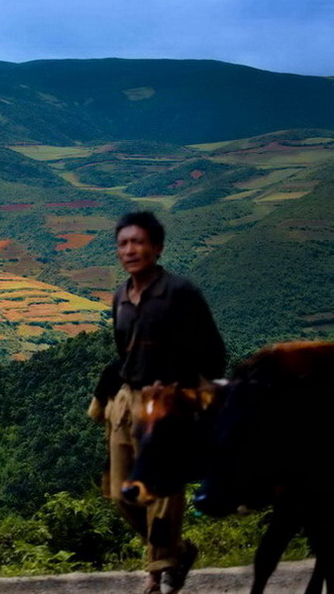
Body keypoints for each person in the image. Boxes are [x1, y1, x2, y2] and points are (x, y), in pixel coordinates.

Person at [91, 211, 225, 594]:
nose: (130, 250)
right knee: (122, 494)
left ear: (157, 248)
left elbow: (214, 352)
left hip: (168, 404)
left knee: (163, 490)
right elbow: (124, 355)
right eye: (123, 243)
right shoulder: (120, 297)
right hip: (128, 400)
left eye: (138, 242)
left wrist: (190, 396)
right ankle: (179, 550)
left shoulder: (181, 293)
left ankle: (158, 574)